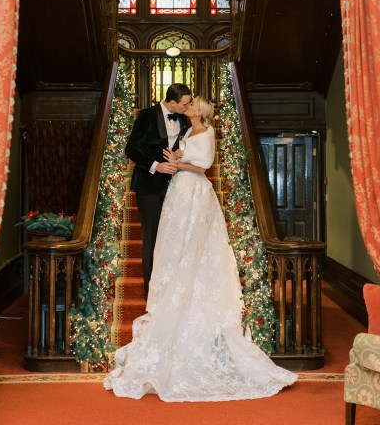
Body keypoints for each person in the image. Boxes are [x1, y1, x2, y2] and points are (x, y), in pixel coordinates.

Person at [105, 96, 297, 402]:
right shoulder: (184, 129)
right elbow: (161, 150)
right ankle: (169, 287)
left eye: (191, 105)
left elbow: (204, 165)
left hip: (193, 190)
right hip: (175, 191)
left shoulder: (206, 131)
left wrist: (177, 163)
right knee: (171, 243)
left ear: (199, 112)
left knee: (195, 244)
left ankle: (191, 287)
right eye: (186, 103)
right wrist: (175, 156)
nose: (188, 107)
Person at [125, 83, 192, 295]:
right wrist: (156, 166)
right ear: (172, 103)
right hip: (149, 185)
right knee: (151, 236)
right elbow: (131, 148)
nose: (188, 106)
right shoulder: (146, 116)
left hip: (175, 186)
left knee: (173, 235)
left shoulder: (183, 118)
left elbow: (184, 144)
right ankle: (150, 290)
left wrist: (182, 154)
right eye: (185, 104)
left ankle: (169, 288)